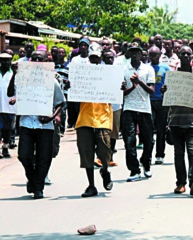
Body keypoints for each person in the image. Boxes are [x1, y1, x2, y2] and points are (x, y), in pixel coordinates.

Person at [8, 50, 66, 199]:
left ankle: (38, 188)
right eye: (33, 59)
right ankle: (32, 178)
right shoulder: (23, 79)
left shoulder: (51, 81)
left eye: (39, 59)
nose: (36, 61)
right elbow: (10, 93)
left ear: (45, 61)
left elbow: (60, 102)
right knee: (24, 155)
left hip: (45, 125)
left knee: (44, 157)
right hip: (27, 123)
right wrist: (15, 74)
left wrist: (51, 117)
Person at [161, 46, 193, 196]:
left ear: (192, 56)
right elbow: (166, 100)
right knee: (178, 153)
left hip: (192, 121)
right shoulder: (172, 77)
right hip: (176, 121)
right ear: (179, 56)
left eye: (188, 54)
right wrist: (165, 92)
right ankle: (180, 183)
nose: (185, 56)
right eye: (183, 54)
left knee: (192, 152)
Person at [75, 44, 114, 197]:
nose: (94, 60)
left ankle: (105, 170)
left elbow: (118, 93)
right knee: (86, 153)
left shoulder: (109, 74)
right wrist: (73, 87)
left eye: (97, 58)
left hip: (102, 118)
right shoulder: (81, 74)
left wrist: (120, 87)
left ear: (101, 58)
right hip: (85, 118)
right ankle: (91, 185)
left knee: (104, 151)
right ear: (89, 58)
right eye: (92, 57)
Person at [120, 42, 156, 182]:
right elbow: (122, 93)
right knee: (129, 140)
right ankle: (134, 170)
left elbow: (151, 91)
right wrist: (132, 87)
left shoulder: (148, 69)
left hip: (144, 108)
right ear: (129, 54)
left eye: (137, 52)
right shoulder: (123, 69)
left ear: (141, 54)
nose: (135, 54)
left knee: (149, 140)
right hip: (129, 108)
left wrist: (139, 82)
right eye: (132, 52)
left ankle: (146, 163)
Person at [149, 46, 171, 165]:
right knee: (149, 129)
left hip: (162, 101)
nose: (154, 58)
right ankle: (147, 154)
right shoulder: (146, 68)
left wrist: (166, 88)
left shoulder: (165, 68)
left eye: (156, 55)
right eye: (151, 55)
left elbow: (172, 82)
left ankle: (160, 154)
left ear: (160, 55)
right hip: (149, 101)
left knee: (161, 129)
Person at [0, 53, 16, 158]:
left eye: (8, 60)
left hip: (9, 106)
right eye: (3, 60)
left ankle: (5, 147)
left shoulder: (14, 74)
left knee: (7, 129)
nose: (6, 62)